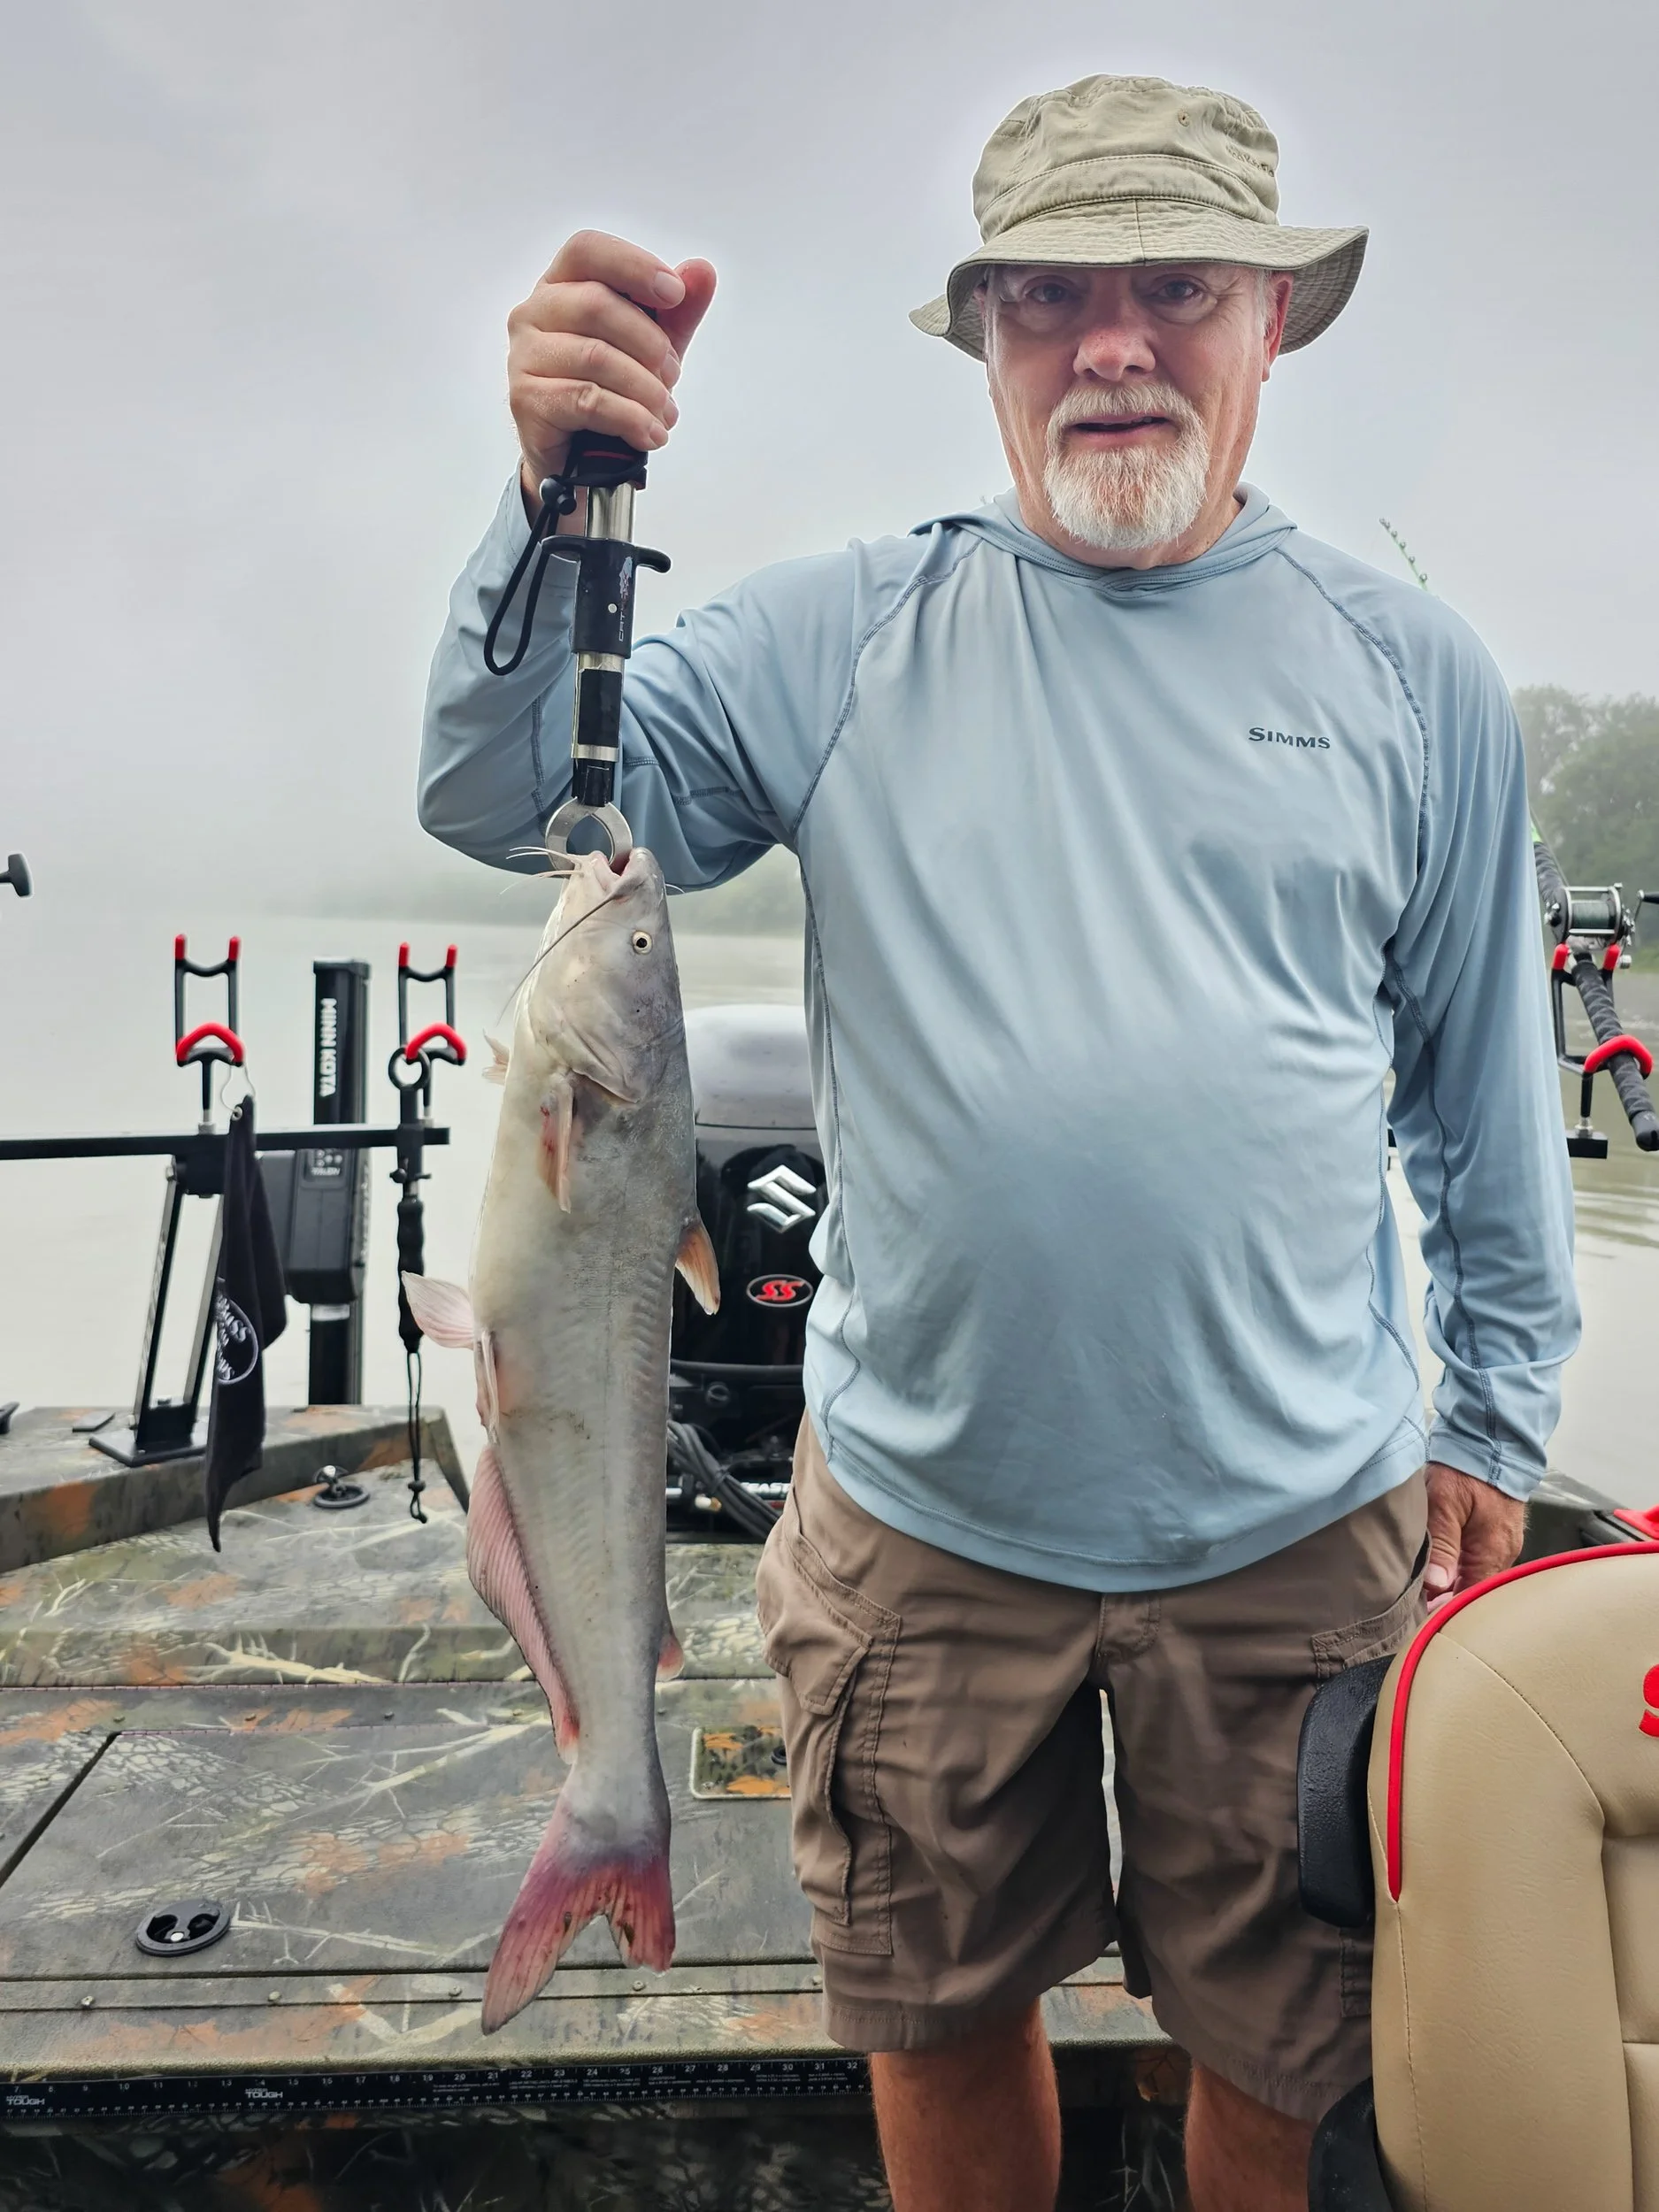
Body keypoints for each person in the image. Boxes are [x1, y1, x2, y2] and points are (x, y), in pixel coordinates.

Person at [419, 73, 1578, 2212]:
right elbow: (510, 801)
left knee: (1288, 2033)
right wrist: (548, 496)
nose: (1111, 342)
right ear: (980, 337)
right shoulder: (832, 633)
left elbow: (1487, 1094)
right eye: (1048, 295)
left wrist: (1497, 1412)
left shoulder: (1415, 674)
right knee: (934, 2012)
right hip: (921, 1518)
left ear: (1268, 327)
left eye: (1174, 288)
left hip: (1296, 1524)